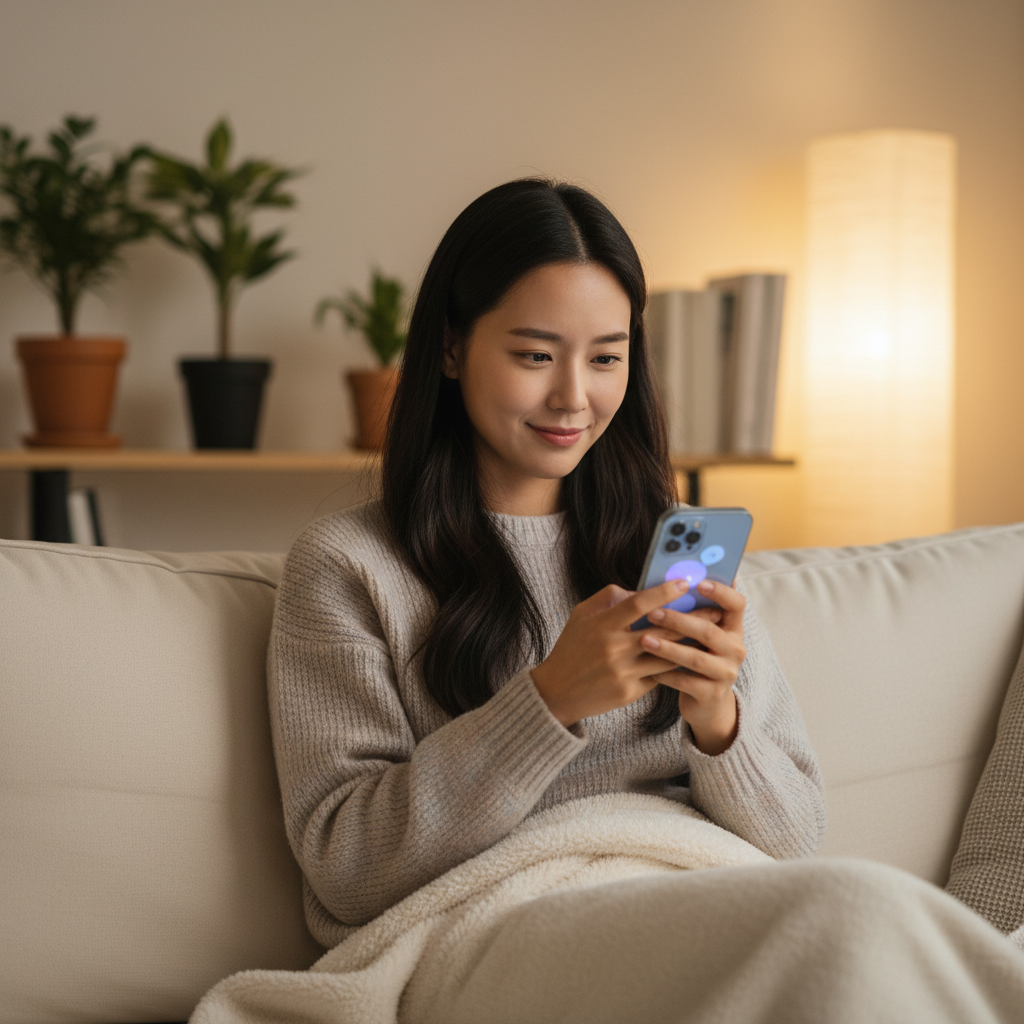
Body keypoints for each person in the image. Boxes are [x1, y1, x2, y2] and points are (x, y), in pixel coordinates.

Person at [264, 179, 1024, 1023]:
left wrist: (716, 720)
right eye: (534, 354)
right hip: (491, 927)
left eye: (606, 356)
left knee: (867, 921)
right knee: (856, 918)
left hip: (694, 896)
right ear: (450, 348)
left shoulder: (677, 552)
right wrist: (549, 702)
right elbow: (344, 862)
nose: (573, 397)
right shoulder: (348, 567)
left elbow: (794, 837)